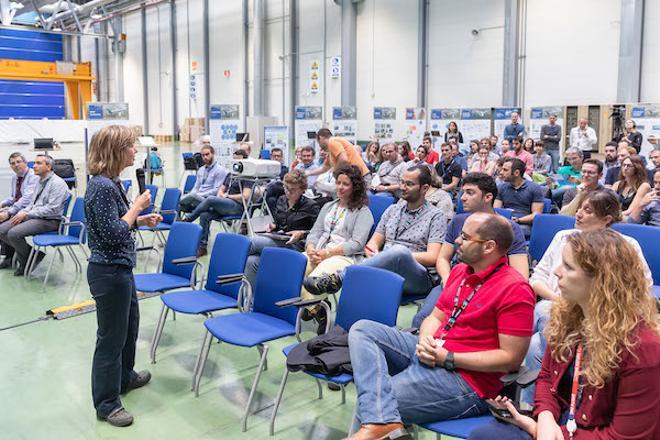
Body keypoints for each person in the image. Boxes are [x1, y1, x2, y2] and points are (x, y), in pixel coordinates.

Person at [345, 213, 535, 439]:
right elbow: (435, 317)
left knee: (374, 404)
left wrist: (448, 357)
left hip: (467, 380)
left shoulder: (515, 289)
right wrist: (426, 338)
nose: (457, 241)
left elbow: (510, 358)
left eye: (465, 237)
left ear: (489, 247)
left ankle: (380, 423)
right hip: (435, 351)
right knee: (363, 329)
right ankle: (382, 424)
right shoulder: (461, 271)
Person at [469, 230, 660, 440]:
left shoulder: (642, 347)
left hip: (594, 435)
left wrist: (538, 430)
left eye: (568, 267)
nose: (557, 272)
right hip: (560, 427)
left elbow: (625, 437)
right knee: (485, 435)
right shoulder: (569, 317)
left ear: (601, 280)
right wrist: (545, 416)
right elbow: (546, 378)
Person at [523, 189, 653, 405]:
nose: (579, 214)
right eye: (580, 208)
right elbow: (537, 277)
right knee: (544, 315)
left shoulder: (624, 246)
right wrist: (562, 302)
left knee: (537, 341)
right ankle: (544, 403)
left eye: (588, 210)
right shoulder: (562, 237)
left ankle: (547, 399)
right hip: (558, 307)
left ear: (607, 219)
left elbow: (642, 290)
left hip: (598, 318)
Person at [84, 125, 163, 427]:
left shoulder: (110, 182)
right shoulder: (102, 186)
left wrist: (140, 219)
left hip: (121, 268)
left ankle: (124, 377)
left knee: (129, 328)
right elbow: (115, 231)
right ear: (116, 151)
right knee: (110, 339)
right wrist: (136, 207)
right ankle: (106, 403)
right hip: (109, 272)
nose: (135, 151)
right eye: (130, 146)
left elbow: (117, 224)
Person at [304, 165, 446, 300]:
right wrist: (375, 252)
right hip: (385, 266)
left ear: (424, 188)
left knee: (399, 252)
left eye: (409, 184)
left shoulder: (436, 215)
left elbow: (432, 257)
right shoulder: (392, 210)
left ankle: (340, 278)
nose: (402, 187)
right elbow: (373, 243)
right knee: (392, 253)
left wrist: (392, 256)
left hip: (417, 276)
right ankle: (317, 308)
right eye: (402, 182)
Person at [412, 173, 529, 329]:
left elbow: (520, 274)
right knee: (421, 321)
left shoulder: (508, 228)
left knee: (463, 326)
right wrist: (447, 280)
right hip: (454, 282)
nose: (462, 197)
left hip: (489, 288)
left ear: (488, 197)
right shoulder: (458, 220)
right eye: (463, 192)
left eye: (470, 192)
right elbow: (443, 258)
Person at [299, 164, 373, 331]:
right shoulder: (328, 206)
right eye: (338, 182)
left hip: (343, 256)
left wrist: (327, 253)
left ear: (355, 187)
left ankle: (315, 306)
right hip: (318, 251)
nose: (340, 187)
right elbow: (315, 232)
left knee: (312, 283)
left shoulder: (363, 212)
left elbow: (356, 244)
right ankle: (318, 308)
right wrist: (311, 248)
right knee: (291, 272)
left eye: (345, 184)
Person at [245, 169, 320, 290]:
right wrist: (273, 226)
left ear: (302, 189)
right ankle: (253, 301)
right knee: (251, 261)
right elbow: (280, 224)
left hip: (297, 246)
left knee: (252, 243)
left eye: (293, 190)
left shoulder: (311, 206)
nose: (288, 192)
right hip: (281, 239)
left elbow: (318, 232)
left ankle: (229, 266)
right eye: (286, 188)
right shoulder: (281, 200)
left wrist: (302, 233)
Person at [0, 154, 69, 276]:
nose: (34, 166)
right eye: (35, 163)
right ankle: (33, 256)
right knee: (2, 229)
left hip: (50, 220)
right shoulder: (40, 181)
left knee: (13, 233)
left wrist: (27, 213)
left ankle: (25, 261)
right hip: (35, 216)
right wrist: (23, 212)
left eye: (38, 163)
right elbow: (32, 203)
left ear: (48, 166)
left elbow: (52, 209)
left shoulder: (57, 183)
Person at [182, 149, 253, 257]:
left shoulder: (248, 176)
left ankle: (189, 219)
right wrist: (221, 194)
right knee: (204, 215)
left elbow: (246, 196)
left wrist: (228, 196)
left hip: (238, 207)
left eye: (238, 160)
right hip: (226, 204)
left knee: (210, 199)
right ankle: (202, 247)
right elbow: (221, 188)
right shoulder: (231, 174)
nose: (236, 163)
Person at [0, 152, 40, 266]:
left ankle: (30, 254)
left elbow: (27, 199)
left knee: (3, 227)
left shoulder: (33, 176)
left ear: (25, 163)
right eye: (13, 163)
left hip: (28, 210)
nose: (16, 165)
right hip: (18, 208)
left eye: (18, 162)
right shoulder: (15, 177)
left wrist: (9, 212)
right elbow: (14, 197)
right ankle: (9, 255)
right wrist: (2, 204)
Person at [495, 158, 545, 237]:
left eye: (505, 170)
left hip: (524, 224)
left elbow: (536, 214)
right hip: (505, 222)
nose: (501, 173)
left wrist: (518, 220)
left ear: (516, 173)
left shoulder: (534, 188)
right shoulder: (501, 187)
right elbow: (496, 210)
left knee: (510, 232)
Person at [306, 129, 371, 186]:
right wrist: (308, 173)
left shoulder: (332, 141)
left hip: (361, 178)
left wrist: (336, 172)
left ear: (320, 138)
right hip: (356, 178)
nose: (319, 145)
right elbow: (324, 169)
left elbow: (343, 159)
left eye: (318, 141)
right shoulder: (331, 152)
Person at [178, 145, 227, 215]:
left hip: (208, 200)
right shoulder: (201, 170)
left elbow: (216, 191)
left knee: (190, 197)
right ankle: (178, 224)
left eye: (207, 154)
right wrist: (194, 194)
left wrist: (199, 195)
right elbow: (196, 187)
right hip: (197, 198)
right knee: (179, 206)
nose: (205, 157)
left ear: (213, 154)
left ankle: (174, 202)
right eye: (203, 155)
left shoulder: (220, 170)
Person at [263, 147, 290, 214]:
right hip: (270, 193)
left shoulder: (285, 169)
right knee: (271, 200)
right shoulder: (265, 169)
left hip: (281, 192)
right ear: (271, 157)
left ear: (281, 157)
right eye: (274, 156)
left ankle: (259, 202)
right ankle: (275, 221)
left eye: (278, 156)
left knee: (275, 185)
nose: (276, 158)